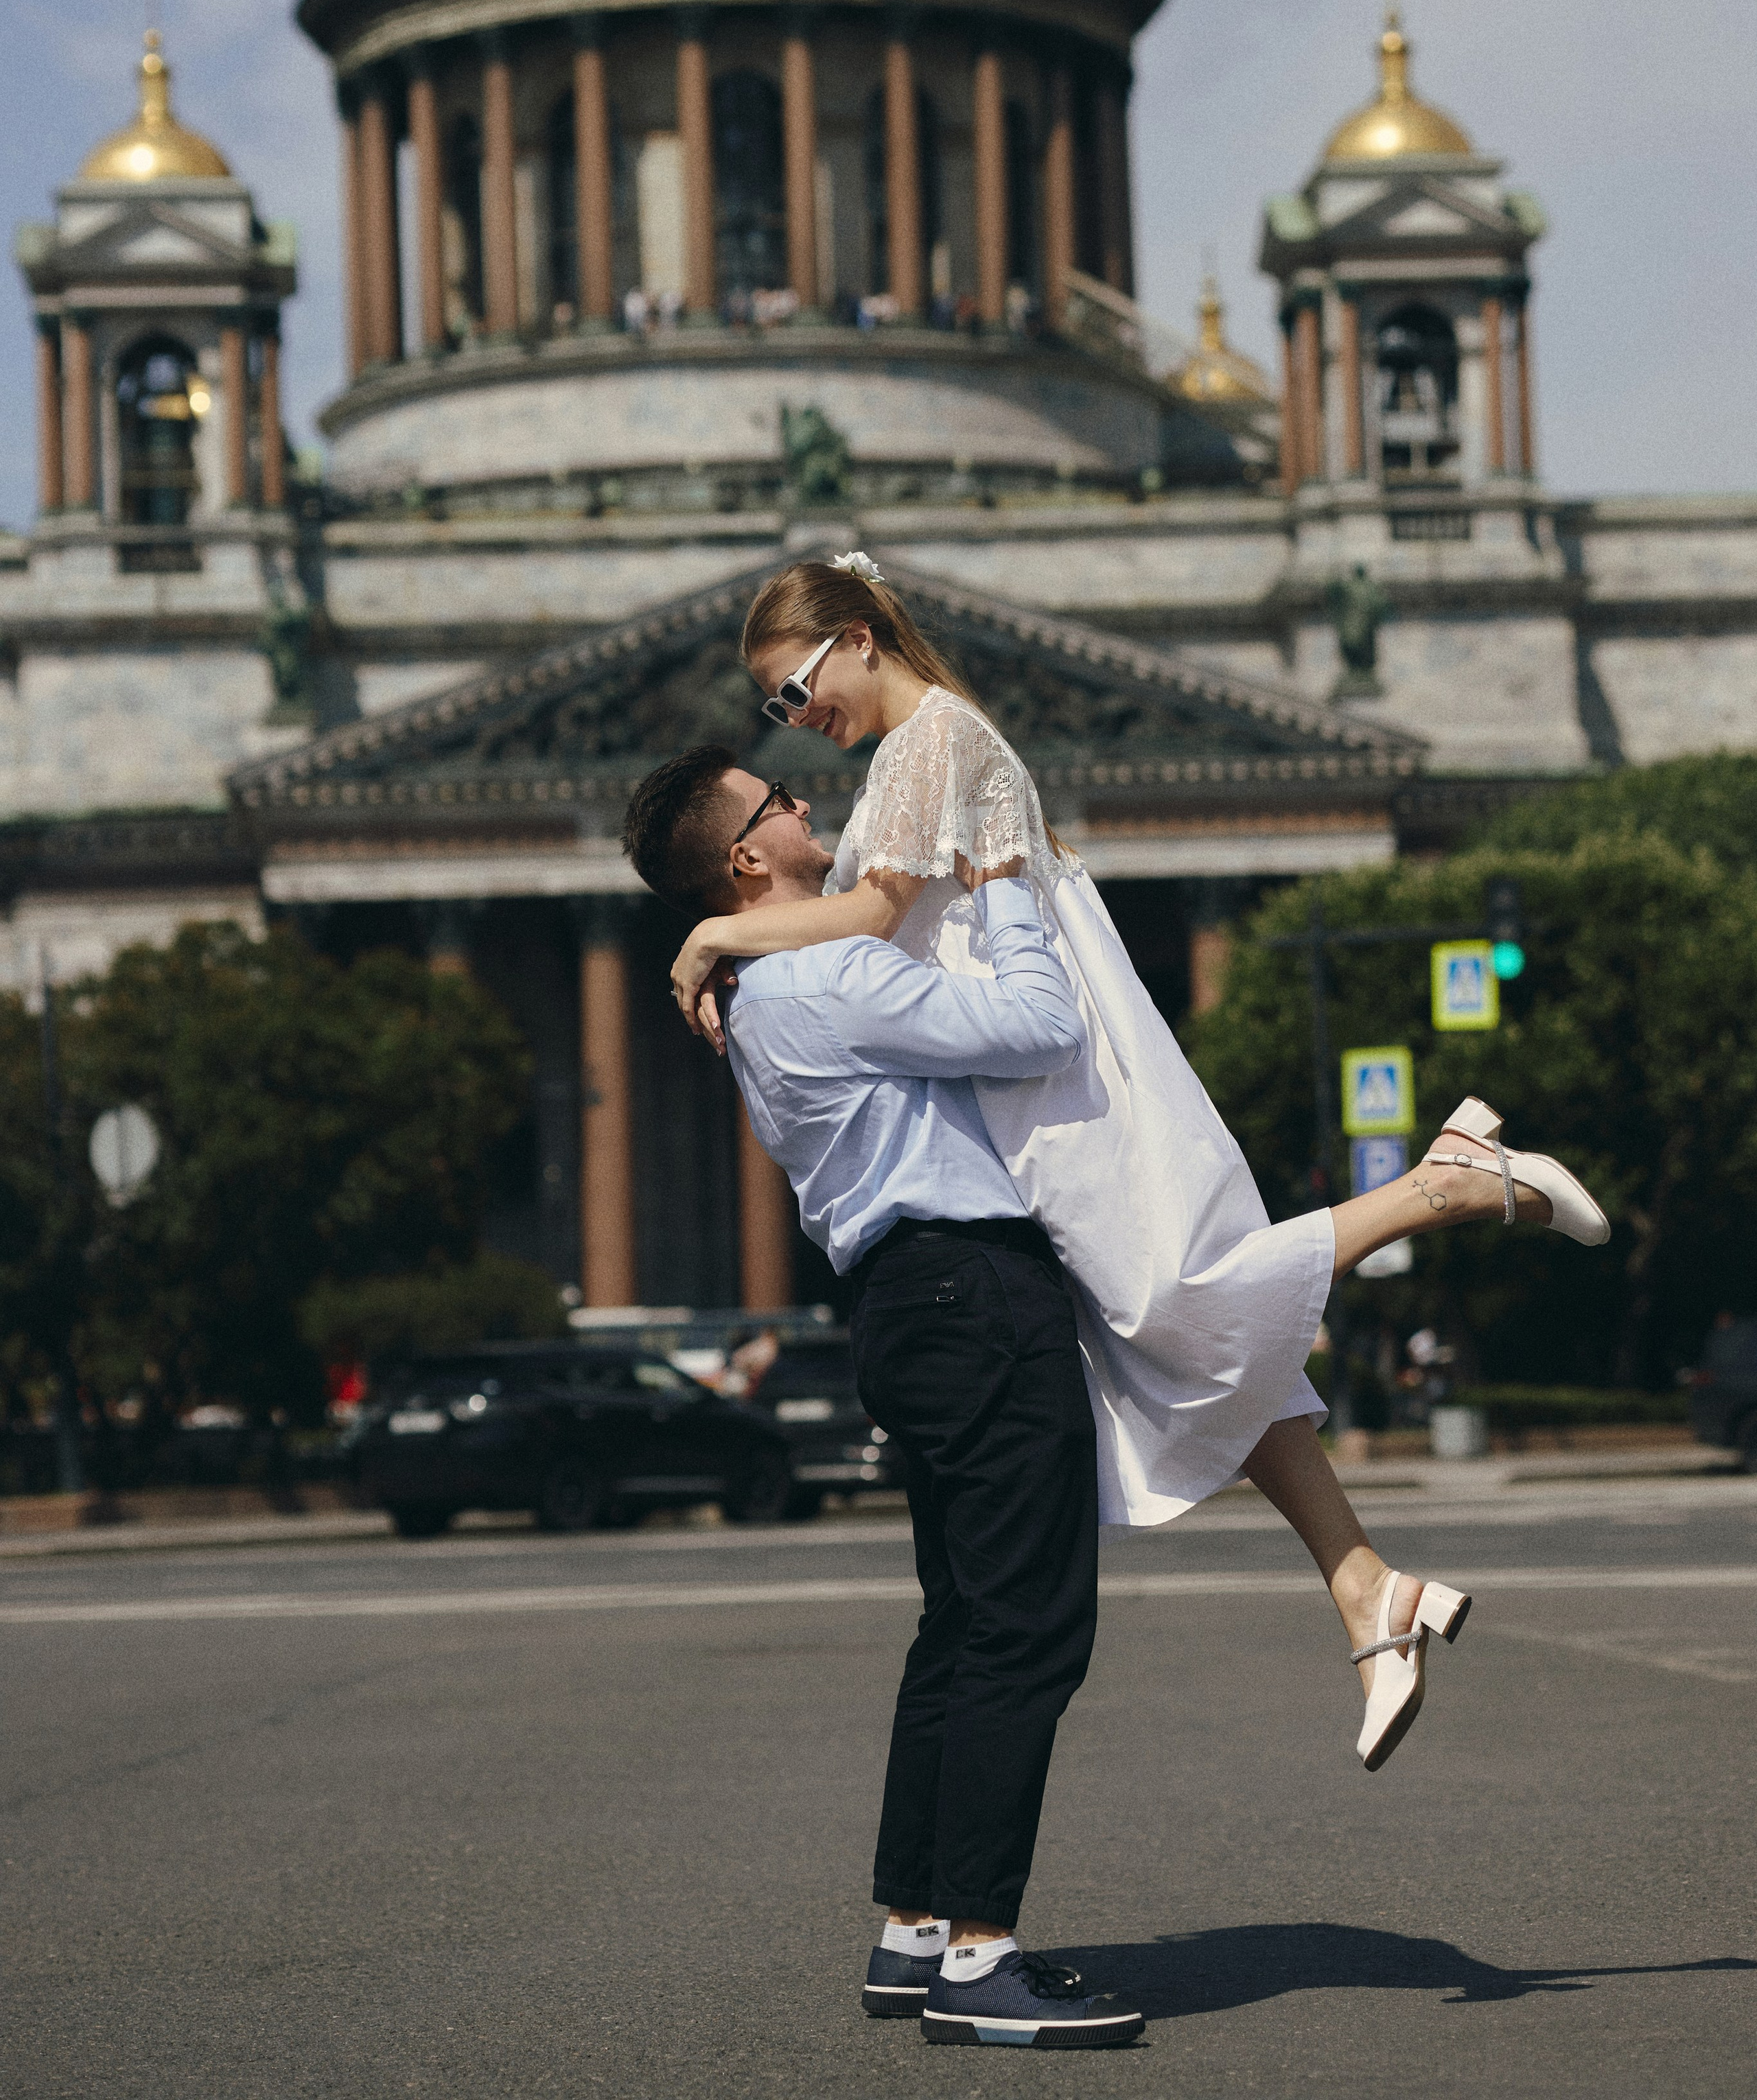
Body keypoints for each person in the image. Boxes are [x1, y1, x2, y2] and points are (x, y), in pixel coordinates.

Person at [664, 554, 1611, 1760]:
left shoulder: (930, 741)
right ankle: (1366, 1589)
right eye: (778, 712)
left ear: (854, 638)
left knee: (1177, 1296)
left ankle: (1451, 1182)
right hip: (1014, 1078)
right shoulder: (914, 753)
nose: (799, 725)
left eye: (794, 692)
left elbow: (869, 917)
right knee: (1168, 1333)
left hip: (1056, 1074)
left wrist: (714, 933)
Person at [622, 746, 1145, 2049]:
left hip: (903, 1308)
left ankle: (916, 1929)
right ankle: (980, 1959)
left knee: (960, 1628)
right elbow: (1042, 1026)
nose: (808, 804)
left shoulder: (757, 990)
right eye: (780, 803)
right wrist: (1007, 881)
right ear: (749, 857)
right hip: (976, 1294)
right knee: (1028, 1631)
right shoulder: (826, 970)